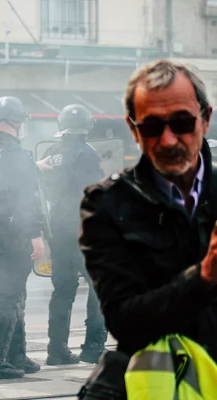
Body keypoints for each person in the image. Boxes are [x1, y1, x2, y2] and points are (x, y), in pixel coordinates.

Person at [79, 59, 217, 396]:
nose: (169, 140)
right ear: (133, 129)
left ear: (206, 119)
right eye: (153, 127)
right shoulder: (106, 204)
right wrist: (203, 276)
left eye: (182, 122)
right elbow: (126, 321)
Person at [0, 96, 45, 379]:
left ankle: (16, 354)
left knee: (14, 290)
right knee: (10, 292)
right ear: (16, 121)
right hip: (13, 231)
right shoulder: (16, 153)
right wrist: (35, 234)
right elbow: (25, 199)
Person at [39, 104, 106, 365]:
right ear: (87, 127)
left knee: (62, 290)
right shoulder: (87, 154)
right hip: (83, 230)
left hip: (58, 230)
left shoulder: (52, 152)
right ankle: (93, 348)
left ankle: (56, 350)